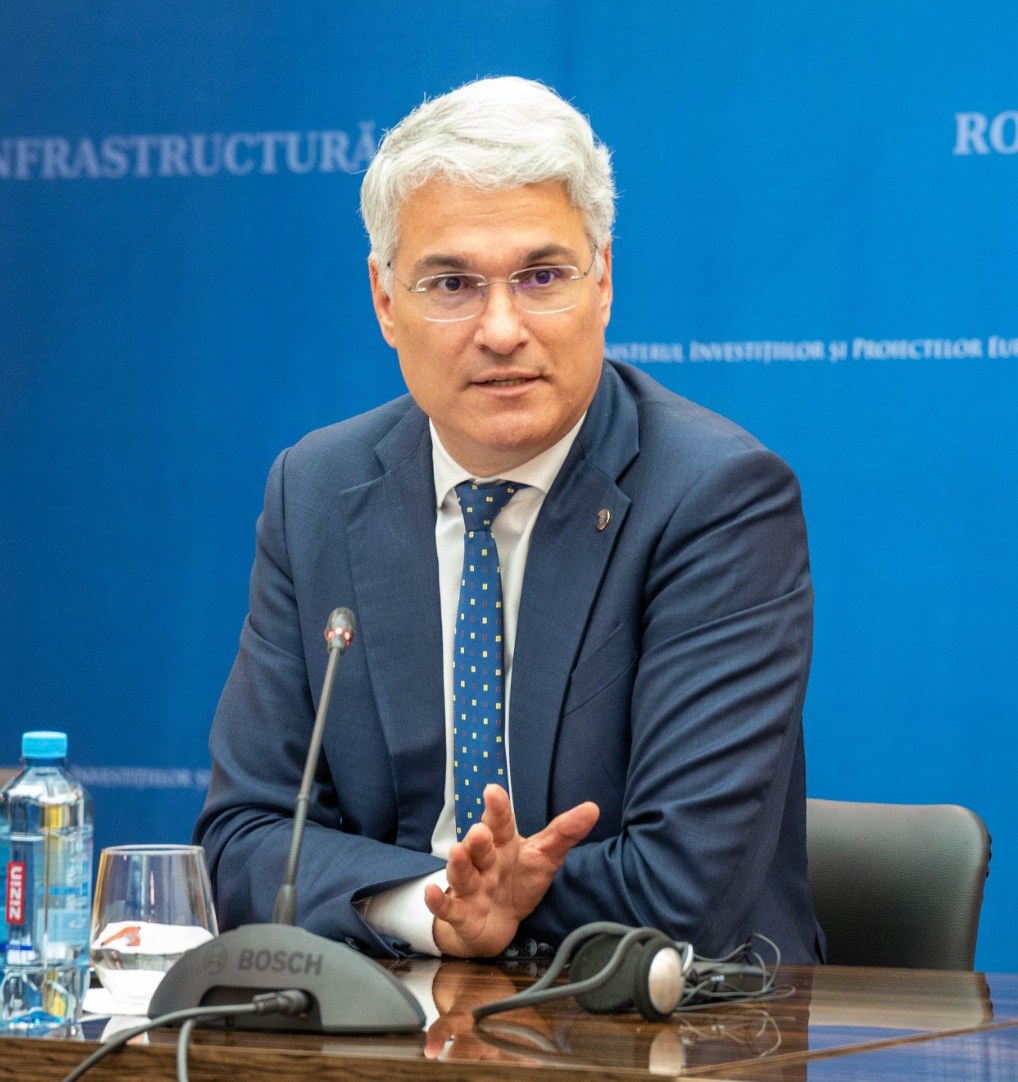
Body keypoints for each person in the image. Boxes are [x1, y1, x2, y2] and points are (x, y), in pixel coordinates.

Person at [194, 76, 824, 964]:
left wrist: (499, 908)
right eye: (452, 282)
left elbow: (684, 886)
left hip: (671, 1018)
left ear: (603, 282)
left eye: (542, 277)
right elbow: (246, 838)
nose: (500, 328)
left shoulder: (715, 499)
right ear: (385, 301)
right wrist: (433, 906)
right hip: (390, 1004)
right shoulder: (317, 489)